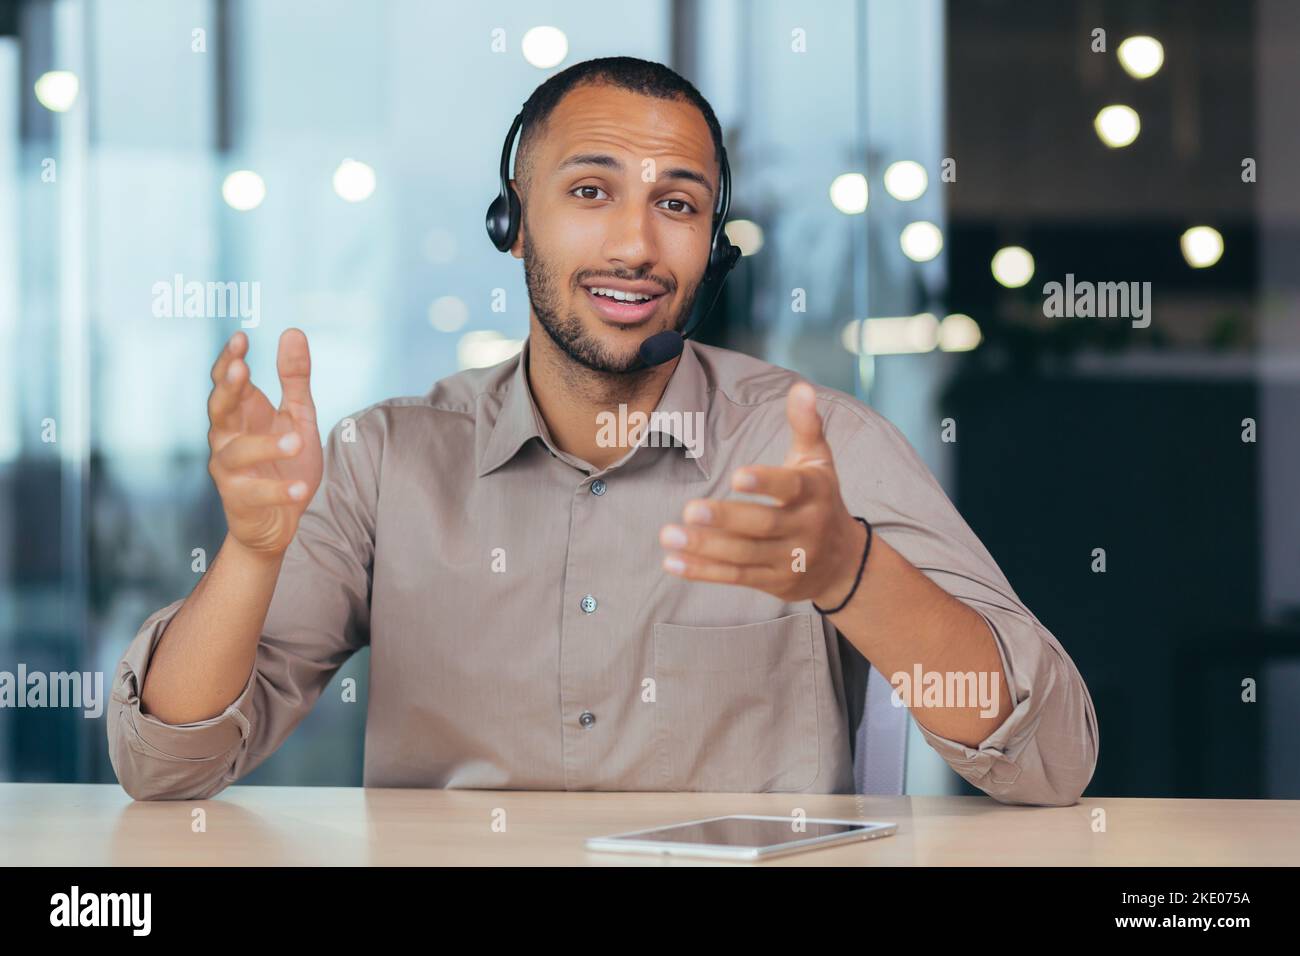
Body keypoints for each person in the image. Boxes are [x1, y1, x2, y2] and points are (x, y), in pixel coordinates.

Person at [108, 56, 1097, 805]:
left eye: (678, 204)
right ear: (514, 223)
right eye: (590, 192)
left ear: (715, 247)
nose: (634, 242)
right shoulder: (386, 460)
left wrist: (851, 572)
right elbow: (165, 763)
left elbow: (1049, 755)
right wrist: (249, 550)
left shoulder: (813, 446)